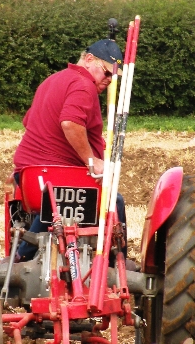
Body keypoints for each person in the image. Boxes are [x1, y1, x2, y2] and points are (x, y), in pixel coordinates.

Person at [13, 39, 128, 262]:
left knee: (54, 204)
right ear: (88, 59)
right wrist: (91, 160)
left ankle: (21, 256)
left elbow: (30, 122)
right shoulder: (84, 85)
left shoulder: (52, 80)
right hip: (59, 175)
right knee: (115, 201)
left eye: (114, 77)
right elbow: (70, 123)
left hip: (30, 175)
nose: (108, 80)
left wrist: (25, 166)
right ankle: (116, 263)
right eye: (106, 73)